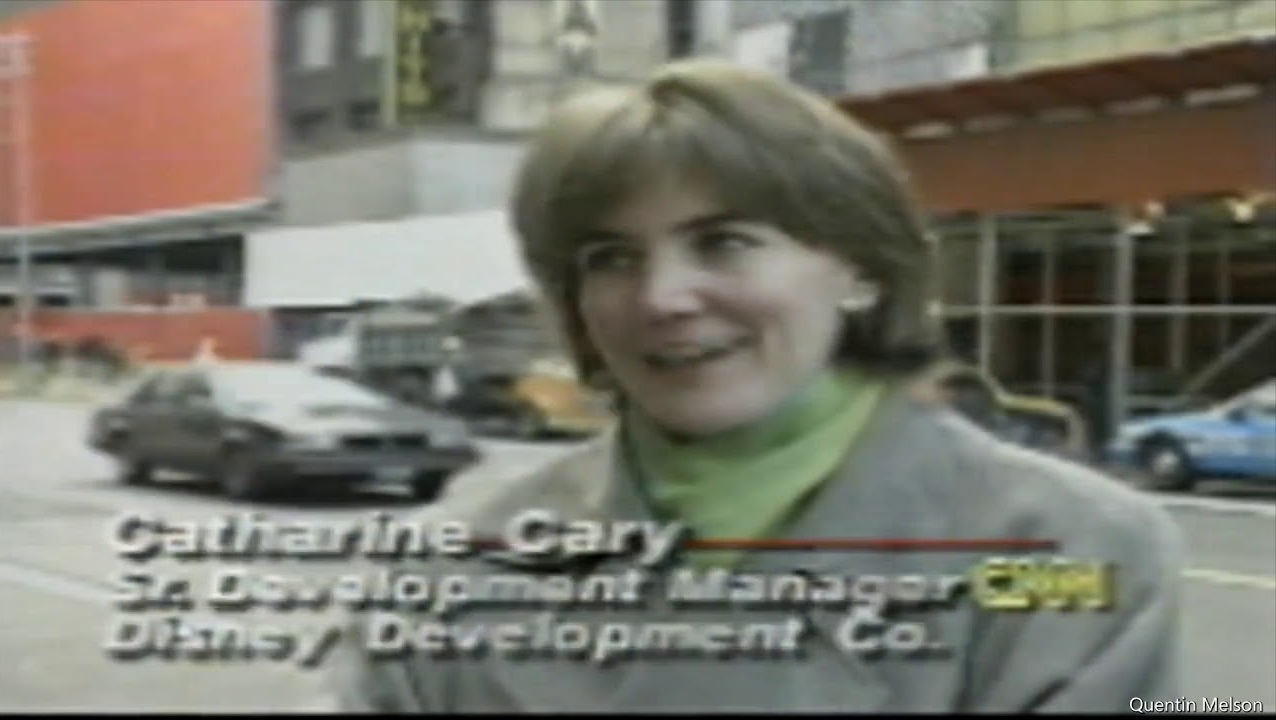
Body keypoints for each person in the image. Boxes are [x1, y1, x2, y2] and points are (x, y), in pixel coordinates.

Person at [326, 60, 1183, 712]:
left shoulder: (1077, 552)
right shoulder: (455, 563)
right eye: (612, 258)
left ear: (858, 267)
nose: (661, 298)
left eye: (725, 243)